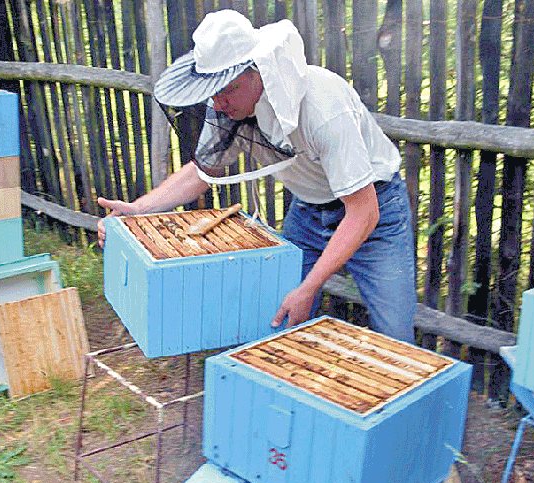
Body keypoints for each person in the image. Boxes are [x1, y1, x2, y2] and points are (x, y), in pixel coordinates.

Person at [97, 10, 416, 343]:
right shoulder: (227, 104)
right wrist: (140, 208)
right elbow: (203, 172)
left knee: (395, 335)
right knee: (279, 318)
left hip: (373, 209)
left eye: (228, 89)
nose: (218, 102)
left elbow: (364, 212)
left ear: (258, 71)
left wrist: (309, 287)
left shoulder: (323, 106)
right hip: (307, 211)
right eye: (214, 91)